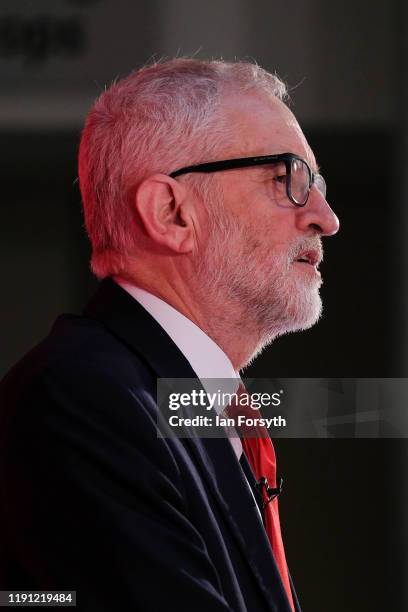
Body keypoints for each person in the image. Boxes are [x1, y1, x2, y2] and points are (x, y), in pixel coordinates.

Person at [0, 58, 339, 611]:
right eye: (287, 178)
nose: (326, 217)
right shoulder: (82, 400)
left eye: (316, 184)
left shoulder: (172, 402)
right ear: (171, 213)